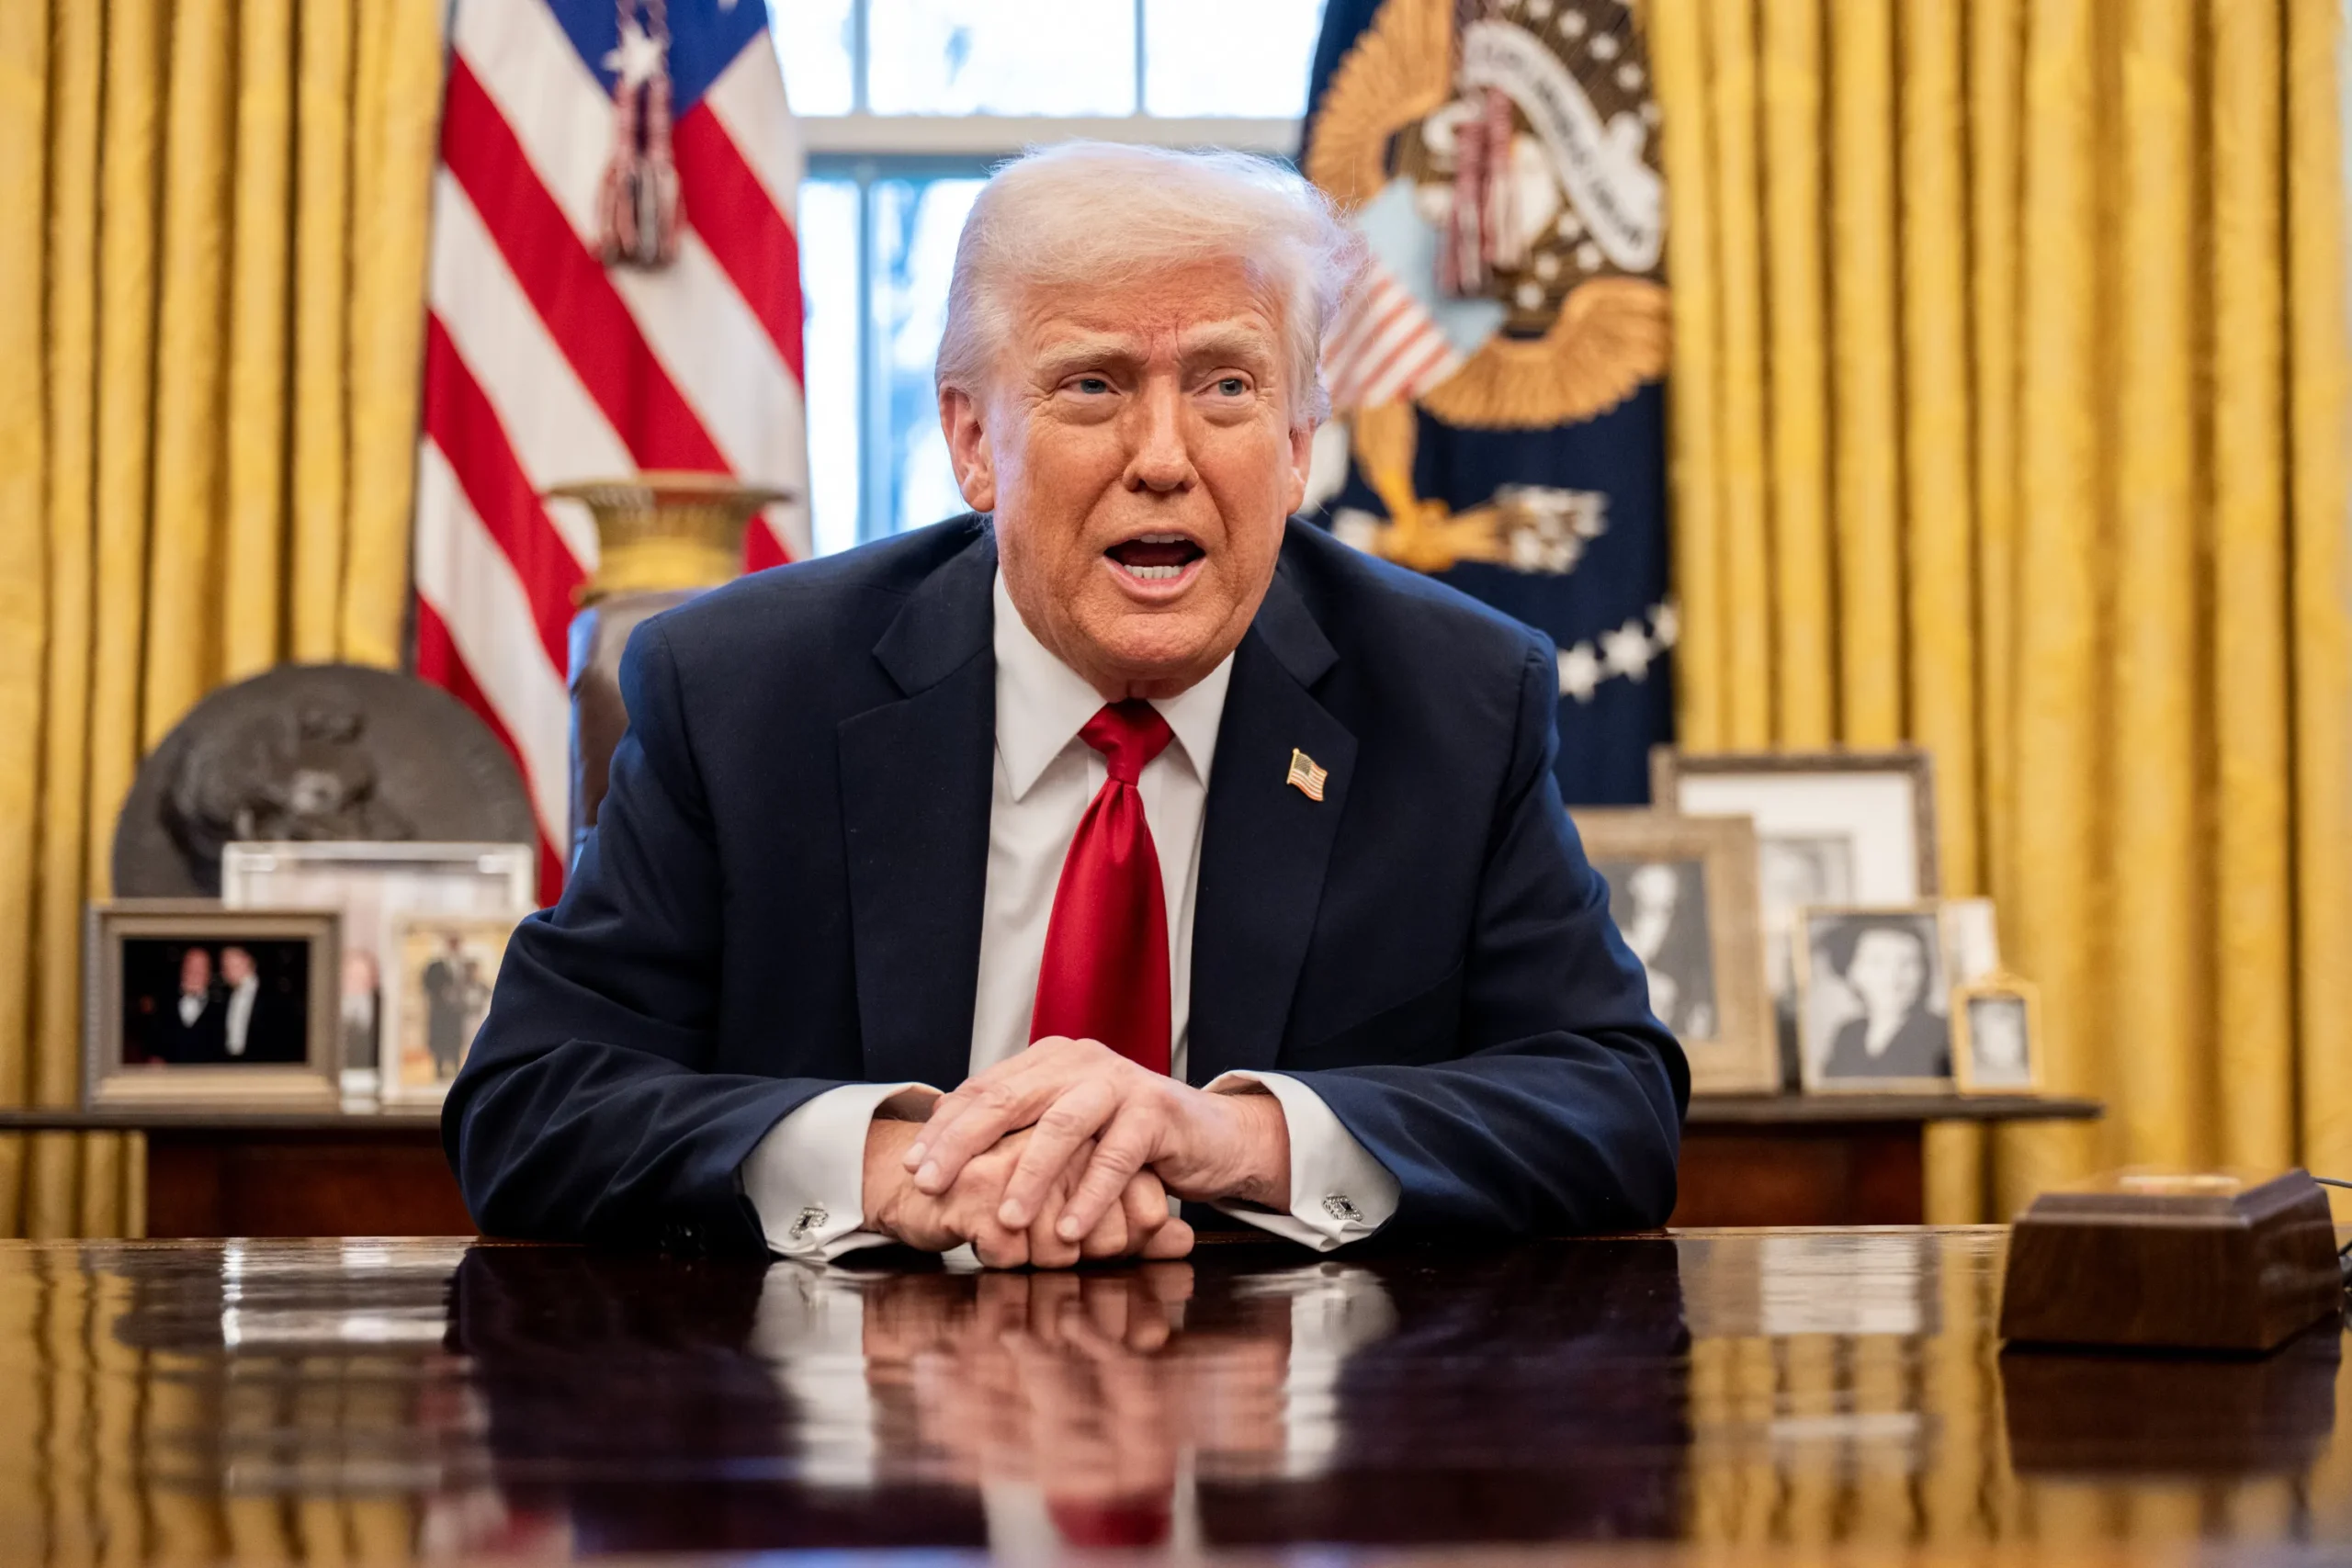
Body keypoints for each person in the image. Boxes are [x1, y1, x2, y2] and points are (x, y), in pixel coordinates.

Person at [444, 142, 1688, 1267]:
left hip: (1290, 1417)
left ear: (1300, 443)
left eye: (1227, 386)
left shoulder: (1456, 698)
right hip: (857, 1416)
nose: (1165, 456)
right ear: (972, 442)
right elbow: (535, 1100)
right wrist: (899, 1169)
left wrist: (1239, 1137)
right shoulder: (742, 693)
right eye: (1092, 385)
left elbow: (1612, 1103)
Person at [1817, 920, 1949, 1080]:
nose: (1893, 978)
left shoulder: (1942, 1032)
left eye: (1908, 963)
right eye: (1877, 963)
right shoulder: (1848, 1035)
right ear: (1852, 972)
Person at [218, 944, 303, 1063]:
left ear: (248, 961)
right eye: (224, 965)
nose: (225, 971)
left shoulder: (274, 996)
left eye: (231, 963)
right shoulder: (223, 998)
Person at [153, 946, 225, 1064]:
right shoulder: (163, 1003)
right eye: (190, 965)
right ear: (182, 969)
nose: (194, 972)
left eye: (201, 967)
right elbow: (153, 1044)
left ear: (209, 974)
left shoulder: (221, 1010)